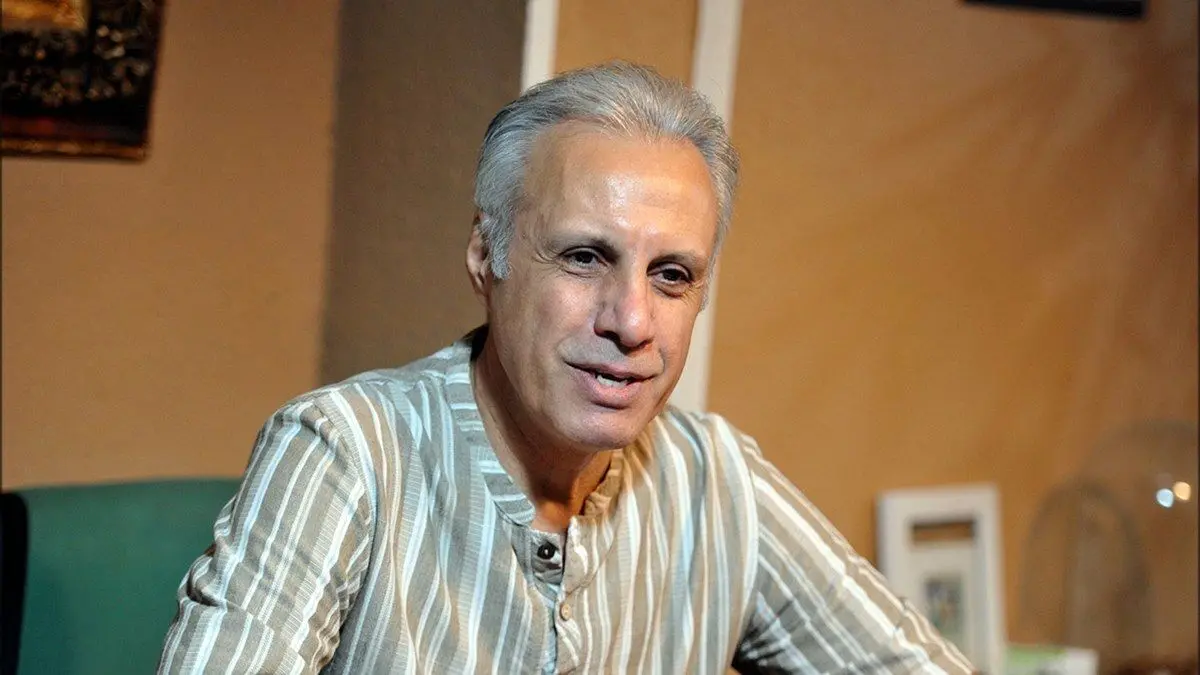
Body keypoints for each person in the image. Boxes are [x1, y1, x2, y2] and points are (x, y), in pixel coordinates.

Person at [159, 62, 973, 674]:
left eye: (672, 275)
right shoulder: (347, 451)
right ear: (487, 254)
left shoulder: (718, 481)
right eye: (585, 257)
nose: (632, 322)